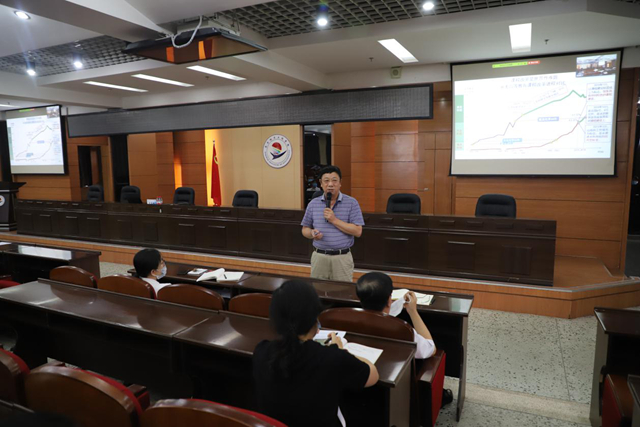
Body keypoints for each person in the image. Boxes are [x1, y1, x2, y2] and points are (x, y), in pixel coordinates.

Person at [253, 280, 379, 427]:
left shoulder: (261, 351)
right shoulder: (332, 357)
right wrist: (341, 350)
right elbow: (373, 375)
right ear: (314, 317)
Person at [301, 165, 364, 282]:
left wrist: (334, 220)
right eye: (326, 181)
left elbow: (358, 231)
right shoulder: (313, 204)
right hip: (319, 257)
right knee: (318, 290)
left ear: (340, 183)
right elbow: (305, 229)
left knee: (343, 291)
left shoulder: (352, 203)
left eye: (334, 180)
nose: (330, 184)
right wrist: (312, 233)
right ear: (321, 183)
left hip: (342, 258)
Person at [356, 272, 435, 359]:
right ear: (389, 300)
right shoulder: (402, 330)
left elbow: (379, 315)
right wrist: (413, 311)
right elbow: (430, 349)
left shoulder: (351, 320)